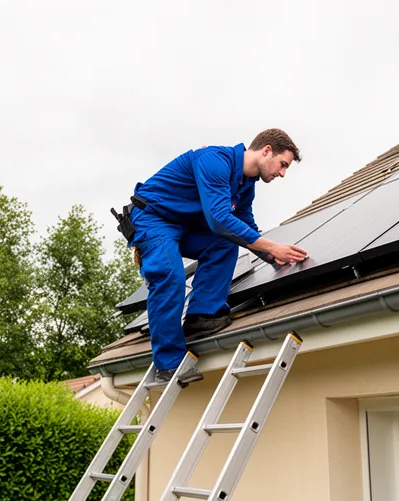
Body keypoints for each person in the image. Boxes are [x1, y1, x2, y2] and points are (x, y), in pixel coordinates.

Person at [124, 128, 308, 385]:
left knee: (224, 242)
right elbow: (219, 219)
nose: (283, 173)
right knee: (169, 274)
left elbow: (244, 227)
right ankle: (168, 364)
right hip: (153, 219)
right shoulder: (214, 161)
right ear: (267, 150)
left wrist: (272, 256)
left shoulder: (245, 186)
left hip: (184, 226)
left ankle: (202, 316)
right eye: (283, 164)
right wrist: (272, 246)